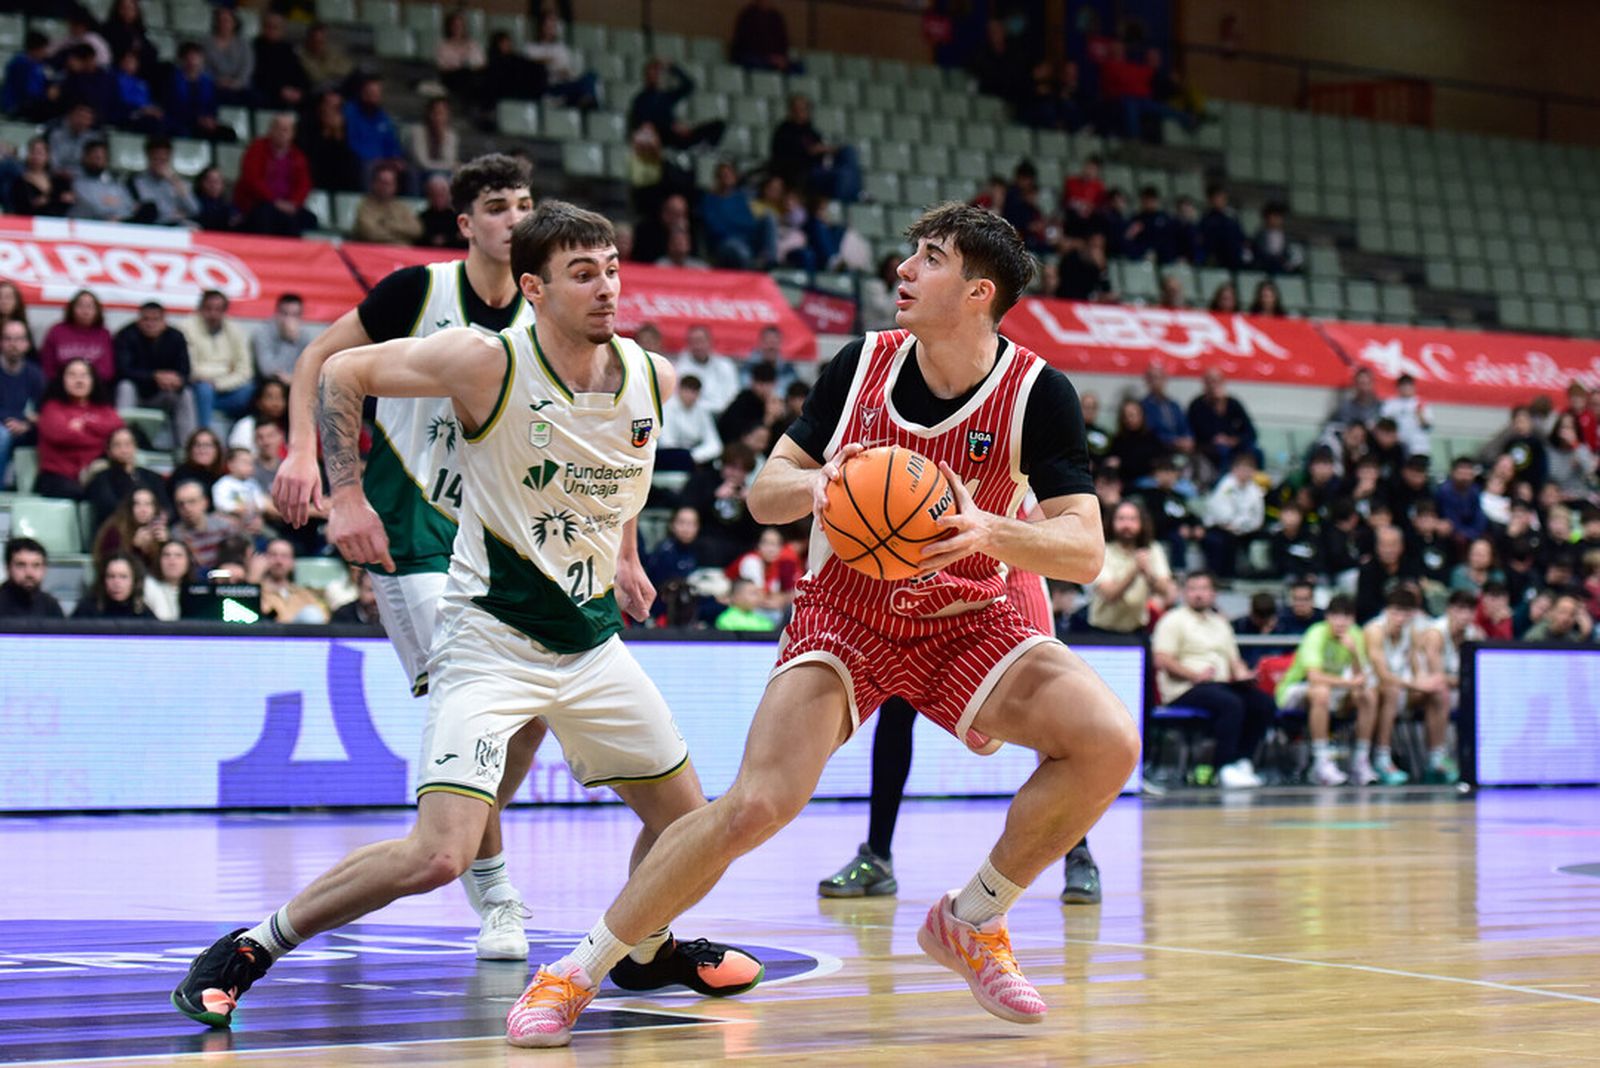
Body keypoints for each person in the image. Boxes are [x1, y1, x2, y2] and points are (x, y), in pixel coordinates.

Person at [514, 202, 1137, 1046]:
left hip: (974, 609)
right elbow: (760, 492)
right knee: (754, 806)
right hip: (850, 611)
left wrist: (992, 529)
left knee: (1108, 743)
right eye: (911, 254)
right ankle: (574, 972)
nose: (904, 271)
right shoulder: (861, 366)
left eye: (929, 258)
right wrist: (817, 487)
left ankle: (975, 918)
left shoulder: (1038, 392)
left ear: (979, 291)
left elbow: (1086, 549)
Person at [173, 200, 763, 1030]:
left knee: (695, 828)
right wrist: (344, 491)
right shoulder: (485, 360)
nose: (607, 288)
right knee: (440, 853)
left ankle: (644, 946)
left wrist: (626, 557)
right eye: (583, 274)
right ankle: (251, 946)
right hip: (492, 640)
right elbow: (343, 372)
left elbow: (621, 468)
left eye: (613, 268)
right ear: (535, 286)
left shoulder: (647, 373)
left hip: (592, 646)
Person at [273, 155, 545, 958]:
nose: (516, 219)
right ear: (466, 225)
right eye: (498, 207)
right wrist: (306, 462)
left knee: (525, 720)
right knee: (478, 704)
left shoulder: (543, 312)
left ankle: (448, 820)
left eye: (526, 204)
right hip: (410, 534)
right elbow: (315, 362)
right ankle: (495, 894)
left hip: (500, 540)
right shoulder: (413, 293)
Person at [818, 562, 1106, 905]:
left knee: (1053, 721)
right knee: (895, 704)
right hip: (935, 570)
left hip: (1011, 567)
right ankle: (877, 856)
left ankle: (1079, 855)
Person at [1152, 571, 1276, 788]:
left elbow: (1234, 660)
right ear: (1184, 593)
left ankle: (1242, 760)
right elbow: (1162, 659)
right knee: (1231, 703)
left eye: (1203, 589)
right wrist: (1194, 675)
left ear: (1213, 594)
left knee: (1262, 702)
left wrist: (1243, 675)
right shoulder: (1173, 621)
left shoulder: (1221, 623)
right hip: (1184, 688)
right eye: (1193, 589)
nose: (1198, 594)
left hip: (1220, 685)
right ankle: (1223, 766)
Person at [1276, 594, 1377, 786]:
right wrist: (1350, 684)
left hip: (1334, 688)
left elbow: (1361, 677)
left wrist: (1354, 652)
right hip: (1296, 688)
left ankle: (1360, 761)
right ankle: (1321, 761)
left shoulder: (1355, 634)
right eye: (1336, 616)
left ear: (1353, 619)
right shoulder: (1316, 633)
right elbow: (1314, 677)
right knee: (1321, 692)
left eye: (1346, 617)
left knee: (1367, 695)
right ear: (1327, 617)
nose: (1341, 622)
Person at [1359, 588, 1441, 786]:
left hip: (1400, 686)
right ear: (1386, 611)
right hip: (1369, 687)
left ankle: (1436, 757)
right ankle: (1380, 757)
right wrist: (1416, 684)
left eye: (1405, 613)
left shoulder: (1410, 632)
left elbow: (1416, 666)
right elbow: (1382, 675)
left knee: (1438, 694)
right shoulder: (1374, 631)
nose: (1400, 618)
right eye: (1395, 612)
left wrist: (1423, 681)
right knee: (1391, 691)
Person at [35, 359, 122, 499]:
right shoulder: (52, 408)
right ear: (62, 379)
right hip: (57, 477)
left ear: (93, 380)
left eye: (84, 375)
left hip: (95, 475)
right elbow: (60, 435)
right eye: (72, 375)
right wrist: (101, 438)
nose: (79, 380)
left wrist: (86, 425)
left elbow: (117, 430)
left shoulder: (103, 408)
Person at [114, 301, 198, 447]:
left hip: (164, 394)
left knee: (186, 394)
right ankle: (121, 442)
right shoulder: (126, 335)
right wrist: (154, 376)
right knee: (125, 387)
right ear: (139, 320)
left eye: (155, 319)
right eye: (146, 319)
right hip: (137, 392)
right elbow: (122, 370)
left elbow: (185, 371)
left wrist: (177, 380)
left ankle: (187, 449)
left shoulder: (176, 337)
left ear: (164, 321)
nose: (150, 324)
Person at [1087, 499, 1172, 634]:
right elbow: (1110, 595)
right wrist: (1135, 570)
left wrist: (1148, 572)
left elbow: (1166, 591)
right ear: (1112, 522)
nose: (1127, 524)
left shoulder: (1153, 549)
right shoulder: (1101, 550)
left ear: (1142, 523)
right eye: (1121, 519)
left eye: (1132, 519)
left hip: (1137, 630)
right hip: (1102, 631)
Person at [233, 112, 316, 236]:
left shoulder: (298, 156)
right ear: (271, 130)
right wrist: (274, 201)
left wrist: (294, 203)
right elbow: (252, 179)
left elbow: (304, 184)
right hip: (259, 203)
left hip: (287, 205)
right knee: (267, 215)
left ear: (293, 134)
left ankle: (295, 253)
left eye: (286, 130)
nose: (282, 133)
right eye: (278, 128)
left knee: (309, 219)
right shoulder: (257, 148)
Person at [183, 290, 256, 429]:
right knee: (204, 390)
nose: (213, 314)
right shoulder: (187, 328)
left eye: (218, 309)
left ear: (225, 311)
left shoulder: (235, 330)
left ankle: (239, 441)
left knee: (252, 391)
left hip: (225, 390)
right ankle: (204, 435)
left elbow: (245, 371)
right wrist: (225, 369)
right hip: (197, 390)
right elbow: (189, 368)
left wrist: (217, 383)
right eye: (208, 308)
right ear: (200, 309)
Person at [85, 425, 169, 530]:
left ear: (135, 447)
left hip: (152, 530)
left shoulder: (152, 477)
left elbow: (166, 507)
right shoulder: (101, 480)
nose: (123, 450)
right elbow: (110, 509)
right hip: (118, 532)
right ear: (109, 450)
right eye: (117, 445)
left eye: (128, 444)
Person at [0, 320, 43, 489]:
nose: (13, 344)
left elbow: (42, 408)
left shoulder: (35, 374)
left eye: (18, 339)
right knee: (2, 435)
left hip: (26, 428)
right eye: (8, 339)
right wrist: (12, 420)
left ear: (27, 344)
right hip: (3, 427)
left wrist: (26, 424)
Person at [41, 290, 115, 384]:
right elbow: (47, 367)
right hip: (60, 386)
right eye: (80, 306)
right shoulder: (56, 331)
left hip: (95, 387)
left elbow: (108, 370)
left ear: (97, 311)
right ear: (72, 309)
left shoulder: (104, 334)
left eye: (90, 307)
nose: (85, 311)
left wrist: (85, 380)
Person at [657, 373, 722, 467]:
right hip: (670, 460)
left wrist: (695, 456)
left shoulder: (702, 411)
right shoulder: (666, 408)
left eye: (695, 392)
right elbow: (666, 443)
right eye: (688, 391)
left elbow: (715, 444)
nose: (691, 396)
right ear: (679, 390)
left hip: (696, 457)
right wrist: (686, 456)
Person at [171, 477, 235, 570]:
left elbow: (236, 564)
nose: (187, 508)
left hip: (225, 578)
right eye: (181, 504)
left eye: (192, 501)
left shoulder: (224, 526)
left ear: (205, 502)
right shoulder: (176, 536)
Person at [256, 537, 326, 623]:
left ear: (292, 562)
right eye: (273, 555)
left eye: (284, 556)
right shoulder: (257, 592)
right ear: (265, 558)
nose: (279, 561)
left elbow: (324, 618)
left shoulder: (304, 594)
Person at [352, 163, 422, 245]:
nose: (385, 187)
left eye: (389, 183)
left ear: (395, 186)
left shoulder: (402, 207)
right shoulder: (364, 205)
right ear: (374, 184)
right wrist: (401, 235)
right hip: (373, 252)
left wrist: (387, 225)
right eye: (382, 182)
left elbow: (416, 230)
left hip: (401, 253)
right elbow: (370, 233)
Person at [73, 551, 154, 619]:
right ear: (103, 580)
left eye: (123, 577)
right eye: (111, 576)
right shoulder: (87, 610)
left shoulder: (143, 613)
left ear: (134, 581)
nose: (116, 582)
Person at [0, 537, 64, 619]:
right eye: (21, 565)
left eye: (36, 565)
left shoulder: (51, 607)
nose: (29, 573)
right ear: (8, 568)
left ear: (44, 569)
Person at [251, 294, 307, 385]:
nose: (289, 320)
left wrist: (292, 379)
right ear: (276, 313)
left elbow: (309, 368)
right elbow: (267, 371)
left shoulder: (304, 335)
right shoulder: (262, 332)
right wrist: (289, 341)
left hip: (294, 382)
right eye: (285, 314)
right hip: (268, 382)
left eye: (294, 315)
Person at [144, 538, 196, 621]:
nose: (172, 561)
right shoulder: (149, 585)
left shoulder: (196, 590)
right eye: (166, 555)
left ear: (188, 562)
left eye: (178, 555)